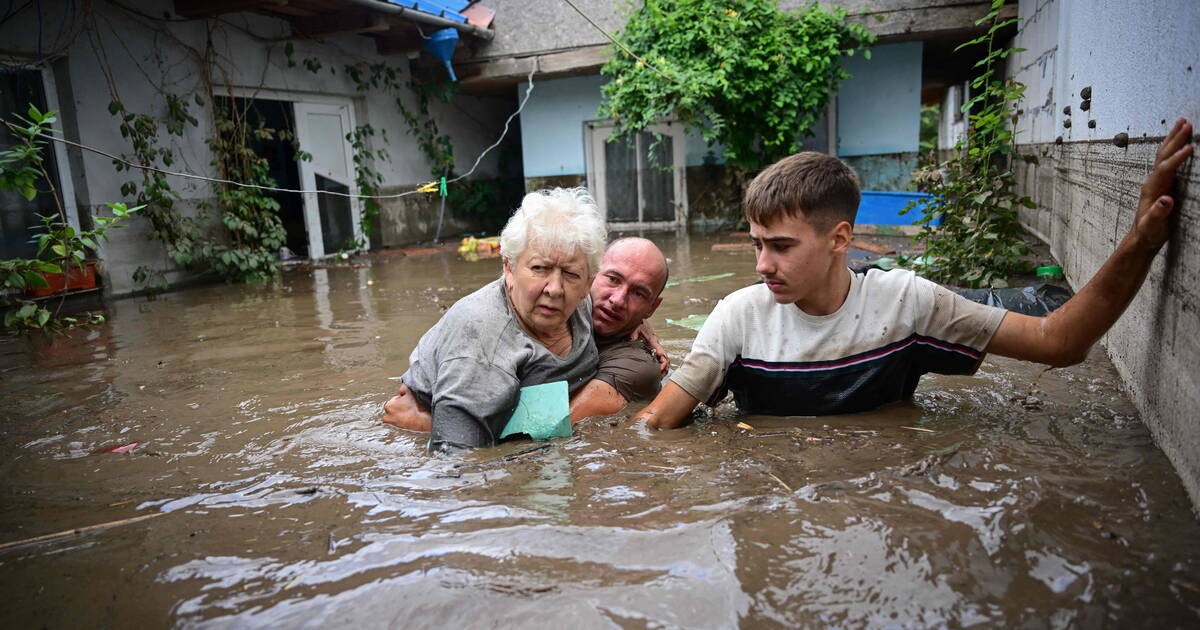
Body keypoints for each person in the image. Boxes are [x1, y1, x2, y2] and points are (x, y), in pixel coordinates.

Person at [635, 118, 1195, 430]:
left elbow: (1061, 341)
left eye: (780, 247)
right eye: (757, 245)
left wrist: (1140, 241)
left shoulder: (907, 303)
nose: (762, 266)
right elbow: (655, 427)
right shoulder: (738, 316)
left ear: (840, 240)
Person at [383, 237, 670, 431]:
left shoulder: (637, 367)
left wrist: (424, 422)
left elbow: (550, 424)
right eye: (612, 279)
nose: (618, 299)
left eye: (638, 293)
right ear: (588, 275)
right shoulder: (559, 299)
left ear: (652, 307)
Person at [400, 187, 607, 452]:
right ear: (509, 268)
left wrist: (643, 329)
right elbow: (455, 460)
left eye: (570, 274)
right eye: (539, 268)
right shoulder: (482, 339)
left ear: (588, 282)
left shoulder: (584, 301)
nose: (554, 288)